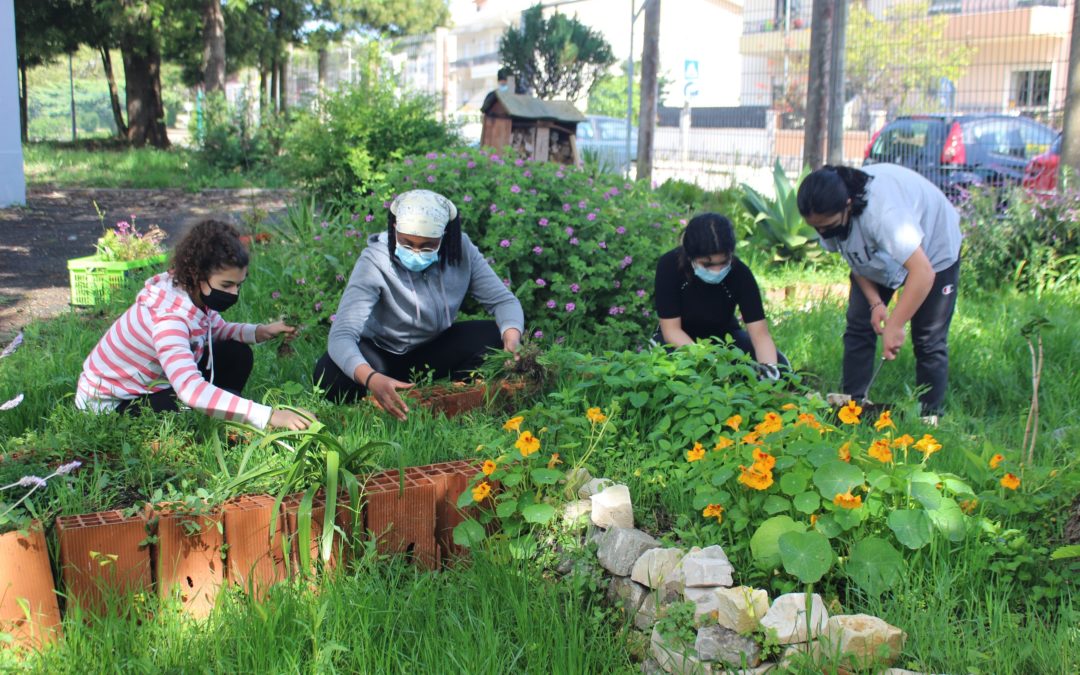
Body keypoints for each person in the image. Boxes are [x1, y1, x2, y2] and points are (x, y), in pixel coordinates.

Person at [76, 220, 312, 430]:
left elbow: (215, 330)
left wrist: (261, 331)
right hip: (112, 405)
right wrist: (268, 415)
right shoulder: (169, 319)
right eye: (227, 285)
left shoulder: (192, 293)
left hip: (155, 384)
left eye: (239, 285)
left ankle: (224, 410)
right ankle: (224, 414)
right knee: (201, 402)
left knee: (236, 353)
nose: (234, 293)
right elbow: (190, 390)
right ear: (197, 275)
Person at [313, 189, 525, 420]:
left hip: (433, 349)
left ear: (445, 237)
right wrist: (371, 378)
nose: (416, 252)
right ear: (394, 229)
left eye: (427, 246)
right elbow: (341, 334)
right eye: (406, 243)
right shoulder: (375, 260)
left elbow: (503, 301)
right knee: (331, 374)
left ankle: (457, 392)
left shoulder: (460, 250)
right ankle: (381, 391)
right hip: (381, 353)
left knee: (497, 334)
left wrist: (512, 339)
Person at [796, 163, 962, 415]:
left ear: (848, 204)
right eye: (816, 227)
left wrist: (895, 324)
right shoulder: (827, 217)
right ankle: (852, 406)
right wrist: (875, 303)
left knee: (928, 338)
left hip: (933, 248)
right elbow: (854, 259)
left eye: (827, 226)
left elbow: (923, 272)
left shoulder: (883, 214)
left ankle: (929, 416)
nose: (822, 233)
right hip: (884, 252)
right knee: (859, 324)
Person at [653, 213, 788, 378]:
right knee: (674, 366)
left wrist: (769, 372)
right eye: (707, 264)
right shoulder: (669, 266)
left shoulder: (741, 274)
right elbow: (671, 330)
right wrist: (709, 362)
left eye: (723, 263)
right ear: (690, 255)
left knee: (780, 367)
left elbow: (760, 335)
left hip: (725, 338)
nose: (716, 271)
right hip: (679, 338)